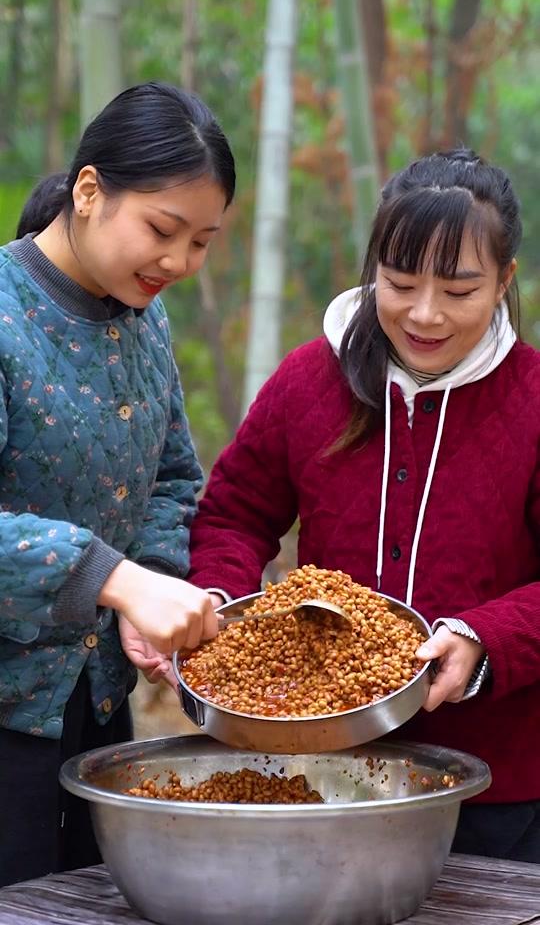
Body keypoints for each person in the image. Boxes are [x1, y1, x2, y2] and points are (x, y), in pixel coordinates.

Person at [188, 148, 540, 863]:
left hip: (499, 788)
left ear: (505, 281)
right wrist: (216, 602)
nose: (425, 314)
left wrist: (483, 641)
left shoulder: (532, 399)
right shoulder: (309, 380)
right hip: (321, 773)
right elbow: (235, 513)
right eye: (400, 283)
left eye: (460, 290)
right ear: (373, 267)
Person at [0, 81, 235, 886]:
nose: (178, 262)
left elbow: (173, 477)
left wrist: (154, 588)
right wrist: (115, 579)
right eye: (163, 230)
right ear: (90, 191)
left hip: (96, 708)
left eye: (201, 241)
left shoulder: (145, 318)